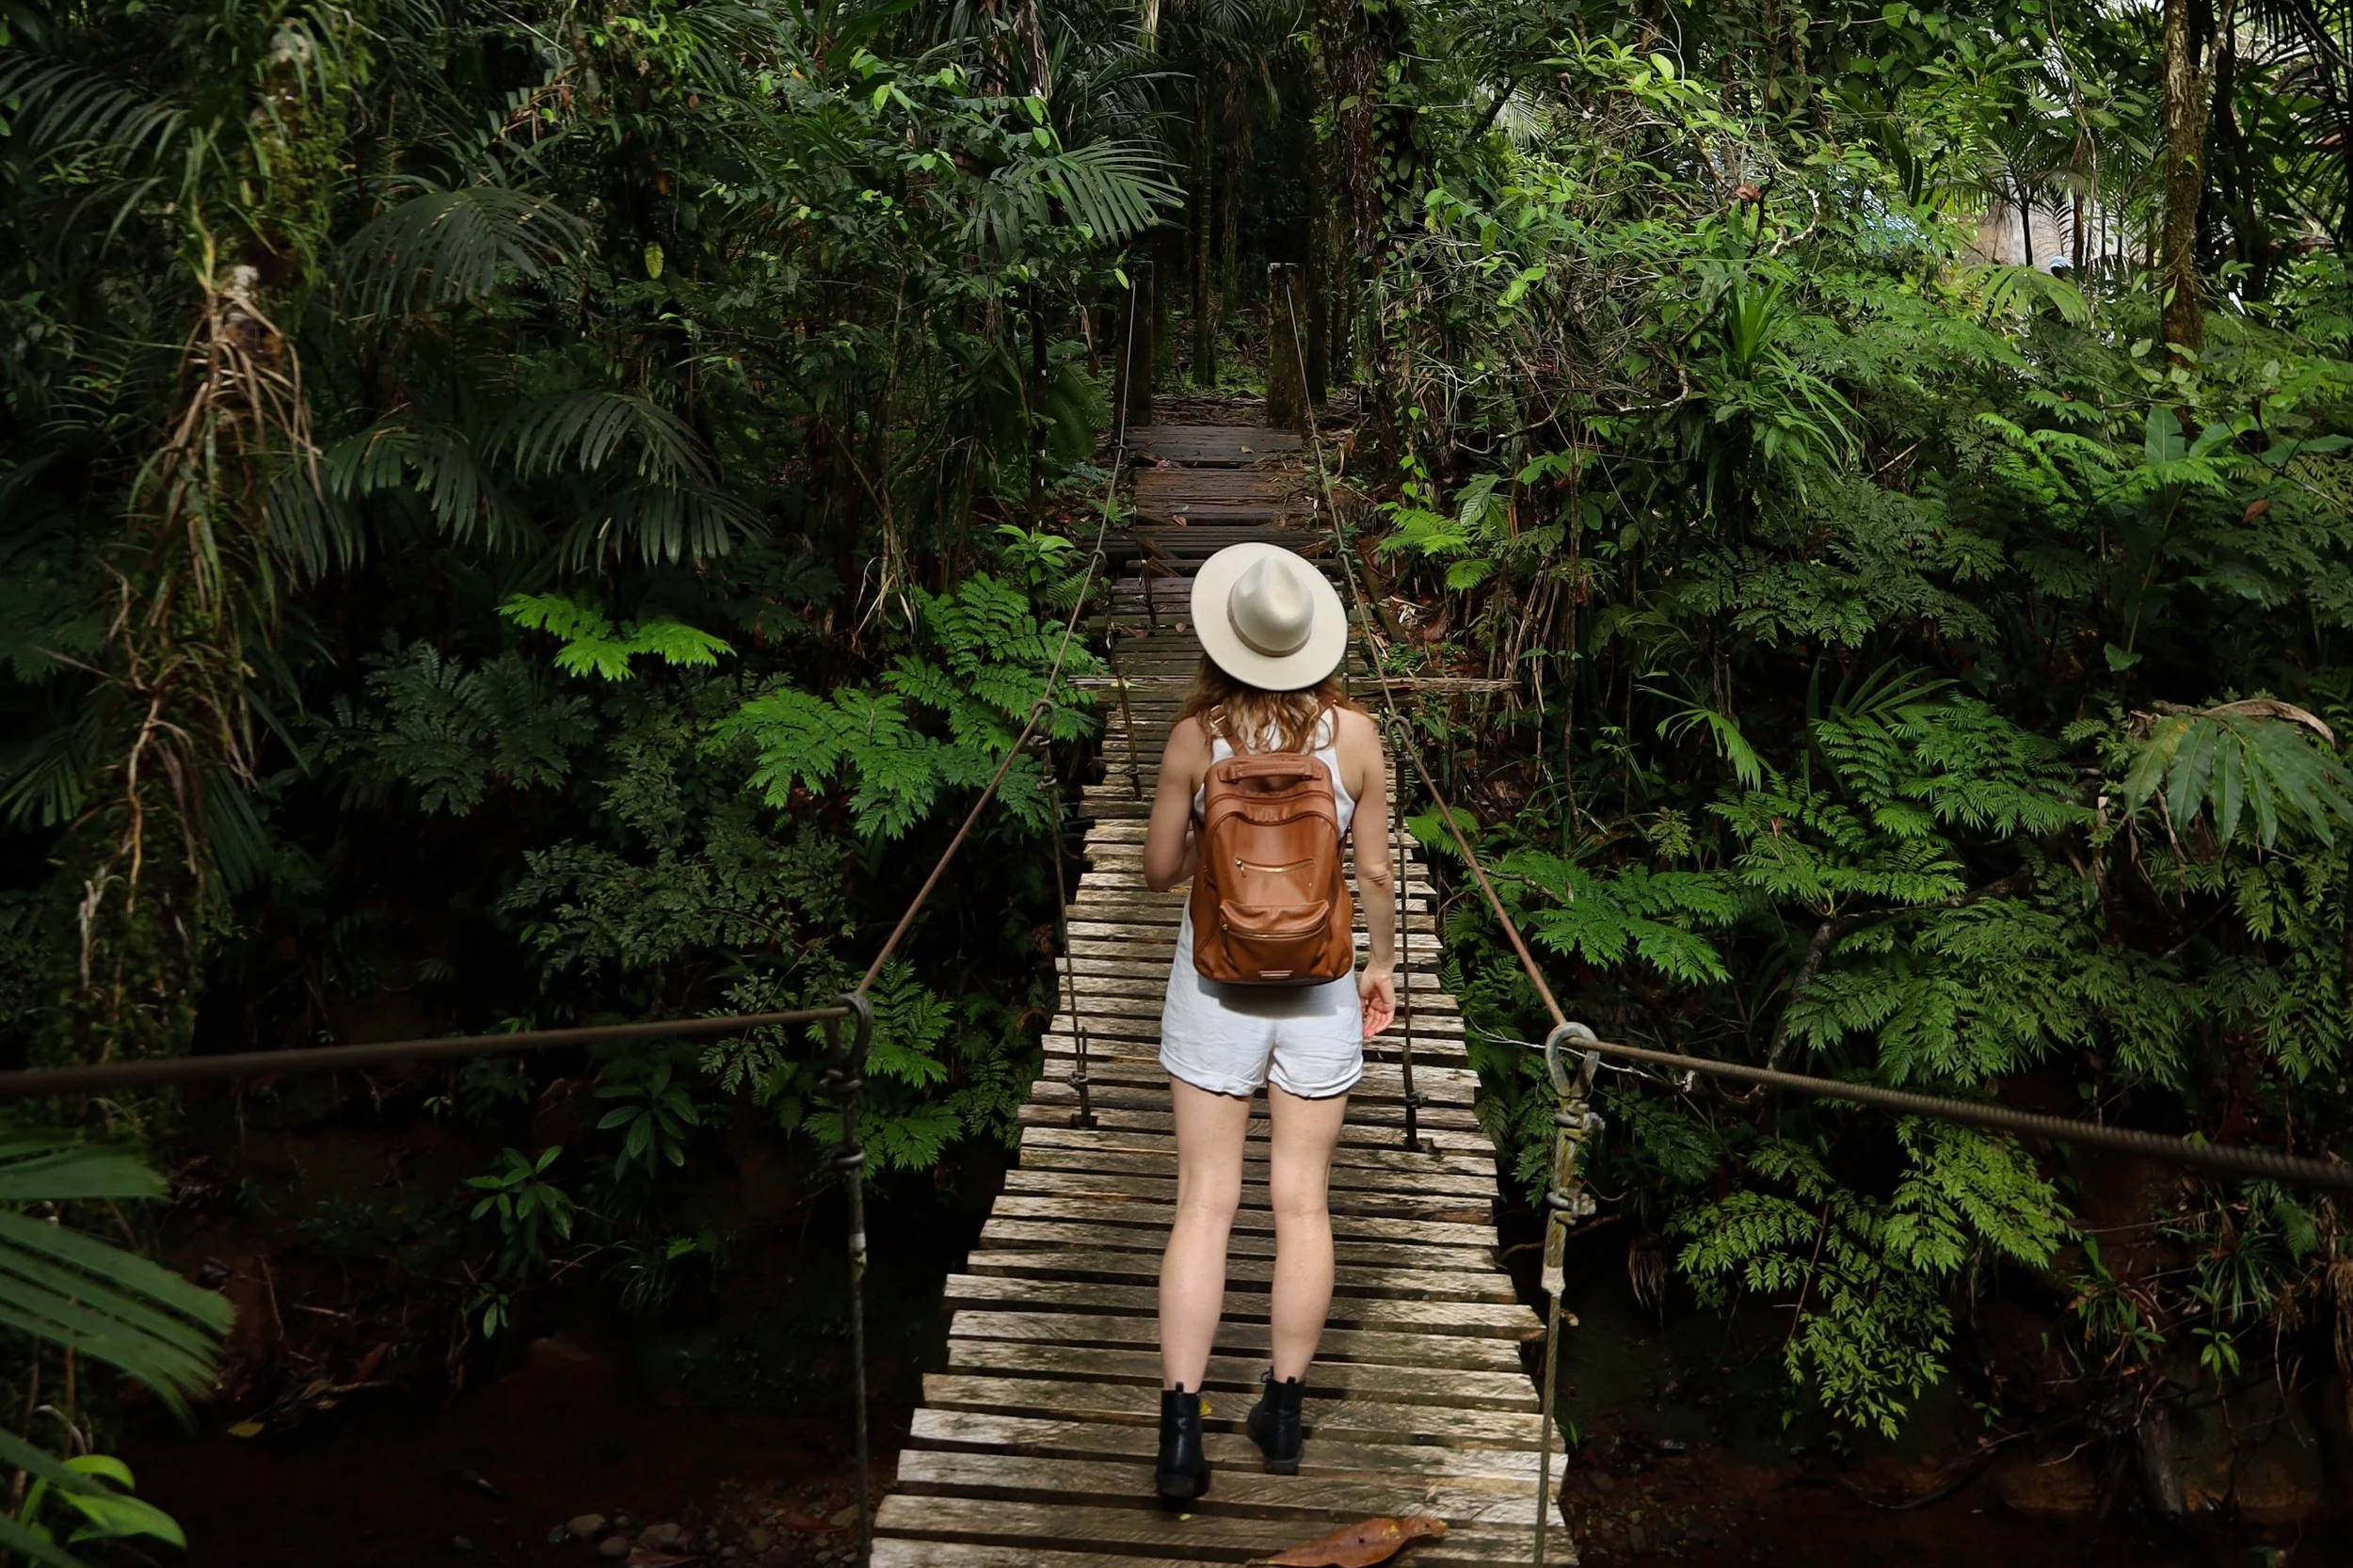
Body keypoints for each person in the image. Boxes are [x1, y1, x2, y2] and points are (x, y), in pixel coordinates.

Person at [1140, 543, 1397, 1499]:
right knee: (1303, 1203)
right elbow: (1371, 872)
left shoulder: (1193, 737)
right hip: (1322, 990)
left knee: (1204, 1204)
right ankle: (1281, 1418)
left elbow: (1160, 872)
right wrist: (1382, 964)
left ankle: (1179, 1439)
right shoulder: (1358, 736)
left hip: (1212, 990)